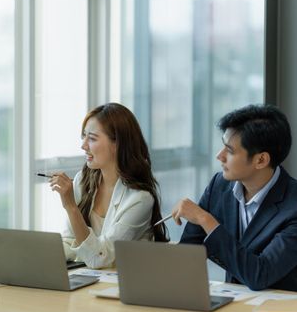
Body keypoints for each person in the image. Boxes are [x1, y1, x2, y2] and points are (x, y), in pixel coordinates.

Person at [173, 104, 297, 291]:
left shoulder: (293, 205)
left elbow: (259, 275)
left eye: (229, 151)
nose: (219, 156)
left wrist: (205, 219)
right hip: (233, 305)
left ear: (261, 160)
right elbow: (187, 254)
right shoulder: (219, 186)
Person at [49, 103, 168, 268]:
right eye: (84, 136)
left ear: (117, 144)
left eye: (91, 138)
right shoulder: (83, 180)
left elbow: (100, 258)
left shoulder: (140, 199)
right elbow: (71, 241)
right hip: (93, 283)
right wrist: (40, 256)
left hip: (126, 288)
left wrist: (70, 206)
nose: (83, 146)